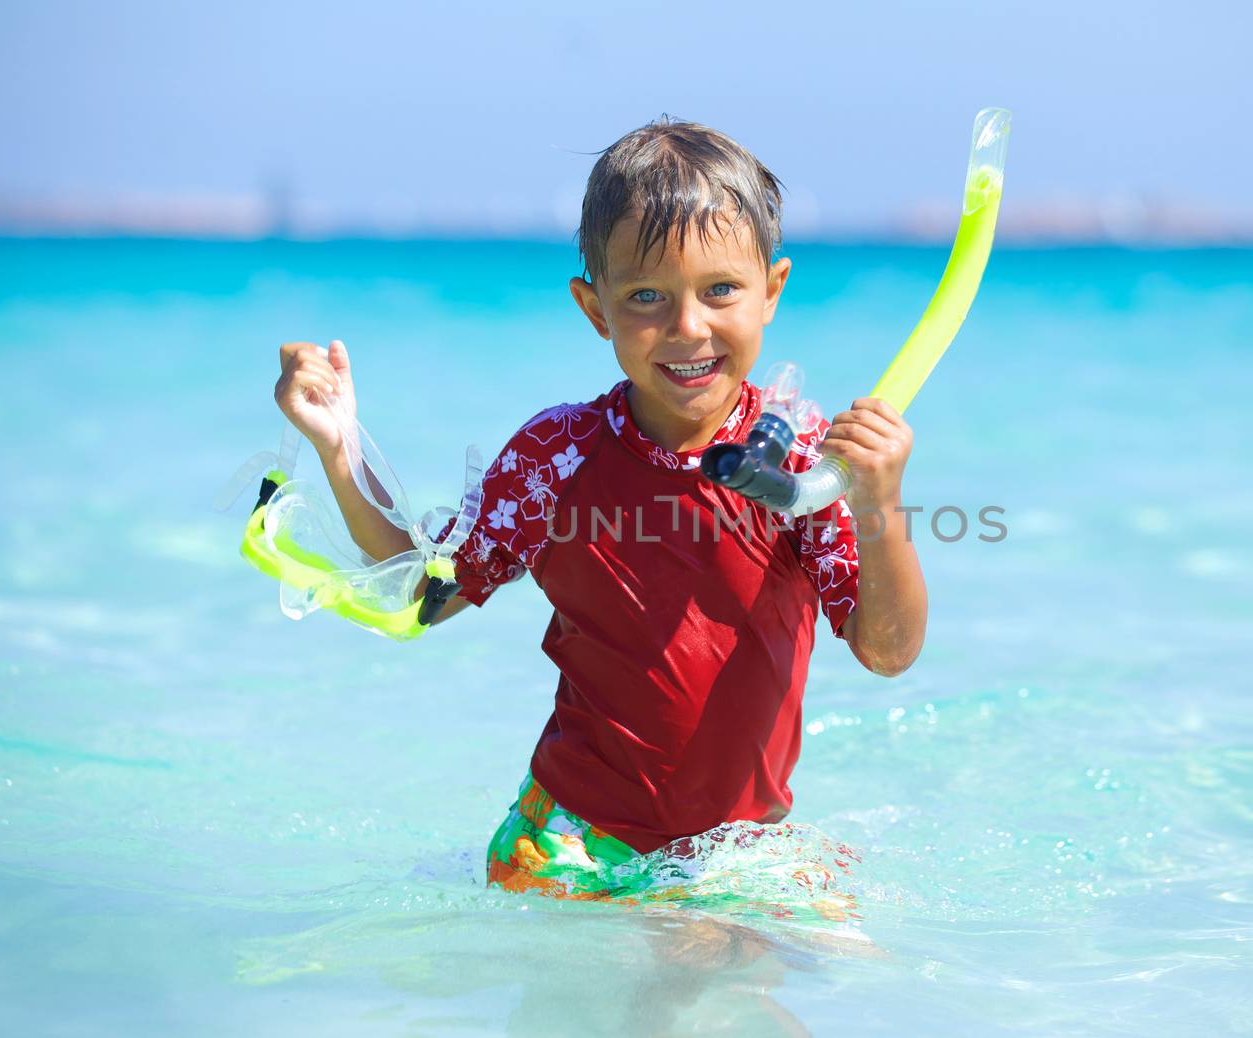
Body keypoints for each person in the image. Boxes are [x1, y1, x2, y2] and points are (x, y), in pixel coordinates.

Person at [272, 117, 928, 896]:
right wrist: (339, 446)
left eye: (721, 290)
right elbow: (417, 590)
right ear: (595, 309)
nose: (688, 328)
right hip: (569, 841)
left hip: (737, 848)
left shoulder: (803, 461)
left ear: (772, 291)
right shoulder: (559, 457)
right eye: (646, 296)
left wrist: (880, 500)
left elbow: (887, 652)